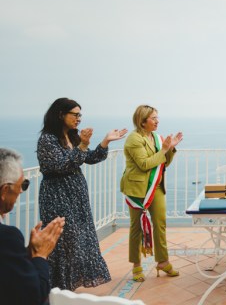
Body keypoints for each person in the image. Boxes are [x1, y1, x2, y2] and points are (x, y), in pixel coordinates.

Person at [37, 98, 127, 290]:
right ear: (61, 114)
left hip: (76, 198)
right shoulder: (48, 139)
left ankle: (69, 286)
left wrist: (105, 141)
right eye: (75, 114)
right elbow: (61, 165)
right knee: (64, 242)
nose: (79, 118)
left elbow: (90, 158)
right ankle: (58, 287)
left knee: (78, 241)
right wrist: (83, 145)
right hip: (57, 196)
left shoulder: (72, 136)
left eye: (80, 115)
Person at [120, 105, 183, 282]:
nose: (157, 121)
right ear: (142, 120)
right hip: (138, 189)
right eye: (153, 118)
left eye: (157, 117)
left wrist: (170, 148)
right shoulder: (134, 138)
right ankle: (136, 265)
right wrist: (163, 150)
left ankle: (162, 261)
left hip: (156, 188)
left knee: (160, 223)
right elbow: (145, 164)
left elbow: (163, 164)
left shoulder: (156, 137)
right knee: (136, 227)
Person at [0, 148, 65, 305]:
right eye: (22, 184)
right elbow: (33, 295)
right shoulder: (7, 238)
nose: (21, 191)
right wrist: (40, 255)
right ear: (5, 190)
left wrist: (26, 254)